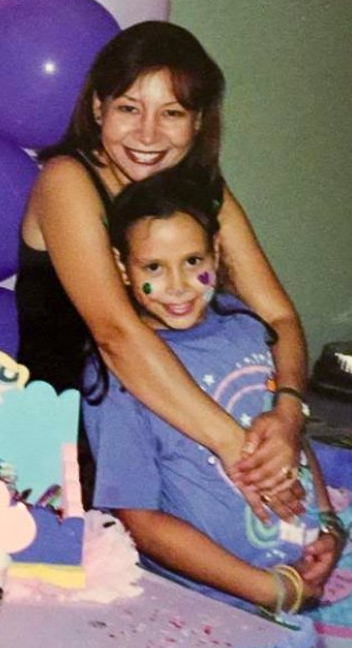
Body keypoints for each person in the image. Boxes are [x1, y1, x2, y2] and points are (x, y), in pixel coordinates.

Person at [15, 21, 307, 519]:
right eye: (129, 108)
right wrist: (241, 453)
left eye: (171, 113)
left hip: (190, 433)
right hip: (76, 454)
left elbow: (277, 316)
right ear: (98, 108)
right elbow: (117, 336)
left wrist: (287, 412)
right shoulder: (67, 180)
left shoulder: (203, 191)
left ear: (198, 122)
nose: (147, 134)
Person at [81, 171, 346, 615]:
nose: (179, 285)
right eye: (154, 268)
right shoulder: (118, 376)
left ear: (217, 253)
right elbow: (141, 522)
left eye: (192, 261)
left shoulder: (247, 327)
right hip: (211, 604)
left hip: (307, 570)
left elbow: (291, 439)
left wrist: (328, 526)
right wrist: (268, 590)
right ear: (122, 268)